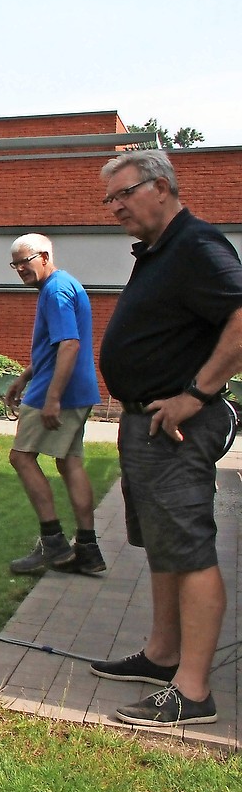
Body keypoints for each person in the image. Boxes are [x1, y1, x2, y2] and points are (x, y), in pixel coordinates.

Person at [92, 150, 242, 727]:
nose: (115, 209)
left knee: (190, 549)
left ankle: (194, 691)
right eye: (110, 199)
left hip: (176, 427)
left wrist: (197, 394)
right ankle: (162, 656)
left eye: (123, 194)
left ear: (160, 186)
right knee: (162, 545)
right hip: (145, 425)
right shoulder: (159, 250)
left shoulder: (198, 246)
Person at [3, 233, 105, 576]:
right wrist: (23, 377)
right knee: (69, 462)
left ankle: (54, 542)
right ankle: (88, 550)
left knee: (21, 456)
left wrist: (53, 398)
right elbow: (54, 345)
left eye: (25, 261)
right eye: (15, 263)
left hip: (59, 391)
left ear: (44, 257)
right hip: (74, 389)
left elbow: (70, 346)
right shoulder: (59, 286)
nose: (20, 269)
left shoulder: (57, 291)